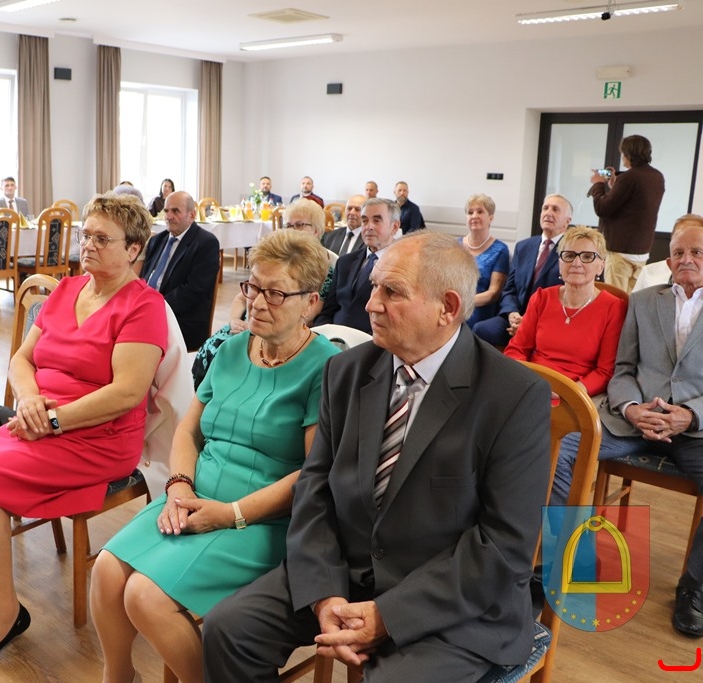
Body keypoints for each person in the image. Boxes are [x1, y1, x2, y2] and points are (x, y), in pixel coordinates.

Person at [202, 230, 551, 682]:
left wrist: (388, 615)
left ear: (447, 307)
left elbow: (504, 546)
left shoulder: (513, 395)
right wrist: (325, 593)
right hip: (346, 573)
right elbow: (315, 489)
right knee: (229, 630)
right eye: (373, 287)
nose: (371, 304)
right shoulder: (347, 370)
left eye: (392, 291)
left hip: (451, 602)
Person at [0, 194, 167, 666]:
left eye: (102, 238)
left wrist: (51, 421)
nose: (88, 245)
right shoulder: (68, 289)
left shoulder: (143, 305)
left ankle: (5, 607)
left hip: (98, 436)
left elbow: (127, 393)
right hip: (39, 420)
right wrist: (29, 399)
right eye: (86, 235)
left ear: (133, 249)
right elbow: (22, 359)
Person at [91, 229, 338, 683]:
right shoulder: (231, 349)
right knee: (106, 571)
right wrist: (179, 486)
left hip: (262, 520)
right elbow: (188, 429)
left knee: (145, 596)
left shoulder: (325, 367)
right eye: (253, 287)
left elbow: (311, 474)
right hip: (193, 496)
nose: (256, 303)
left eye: (276, 293)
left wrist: (229, 513)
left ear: (310, 303)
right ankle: (119, 677)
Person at [550, 217, 703, 638]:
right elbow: (622, 369)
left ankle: (694, 587)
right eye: (678, 252)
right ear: (668, 260)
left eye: (697, 252)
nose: (686, 259)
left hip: (694, 430)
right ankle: (573, 558)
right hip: (632, 421)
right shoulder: (643, 300)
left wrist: (690, 414)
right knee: (562, 450)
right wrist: (633, 408)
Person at [192, 200, 336, 388]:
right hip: (245, 329)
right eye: (288, 225)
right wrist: (235, 321)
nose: (292, 230)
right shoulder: (271, 265)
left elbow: (305, 318)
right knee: (212, 349)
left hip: (270, 333)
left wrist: (256, 327)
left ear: (316, 231)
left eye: (299, 225)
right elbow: (240, 299)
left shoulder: (320, 272)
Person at [504, 226, 626, 396]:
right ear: (559, 263)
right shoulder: (541, 298)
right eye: (569, 255)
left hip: (577, 392)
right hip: (531, 385)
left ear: (601, 266)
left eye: (587, 257)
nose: (576, 263)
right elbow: (517, 349)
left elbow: (605, 371)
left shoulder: (614, 307)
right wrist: (528, 383)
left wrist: (571, 393)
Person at [472, 194, 572, 346]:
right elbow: (509, 289)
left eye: (555, 209)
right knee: (481, 329)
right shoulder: (523, 246)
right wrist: (512, 313)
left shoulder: (571, 252)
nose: (548, 213)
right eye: (545, 208)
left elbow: (569, 298)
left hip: (546, 322)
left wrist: (529, 322)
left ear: (567, 221)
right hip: (515, 317)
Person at [141, 190, 220, 350]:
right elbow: (145, 277)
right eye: (166, 211)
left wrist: (155, 307)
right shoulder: (157, 240)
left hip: (180, 319)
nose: (169, 216)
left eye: (175, 211)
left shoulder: (206, 243)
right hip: (148, 309)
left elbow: (194, 290)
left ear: (192, 215)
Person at [589, 134, 665, 292]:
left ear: (628, 154)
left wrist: (598, 184)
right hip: (642, 250)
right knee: (632, 299)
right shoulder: (657, 176)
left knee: (615, 297)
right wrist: (615, 186)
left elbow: (602, 208)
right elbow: (635, 203)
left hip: (621, 251)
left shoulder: (630, 177)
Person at [313, 197, 400, 333]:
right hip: (334, 336)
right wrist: (322, 335)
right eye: (364, 220)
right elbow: (328, 311)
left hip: (371, 341)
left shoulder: (401, 267)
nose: (369, 227)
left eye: (376, 221)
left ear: (394, 227)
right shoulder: (345, 262)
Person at [460, 193, 509, 327]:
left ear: (491, 218)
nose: (474, 216)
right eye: (470, 212)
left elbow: (493, 294)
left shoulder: (500, 249)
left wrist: (462, 303)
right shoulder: (455, 246)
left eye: (480, 211)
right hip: (453, 306)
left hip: (479, 310)